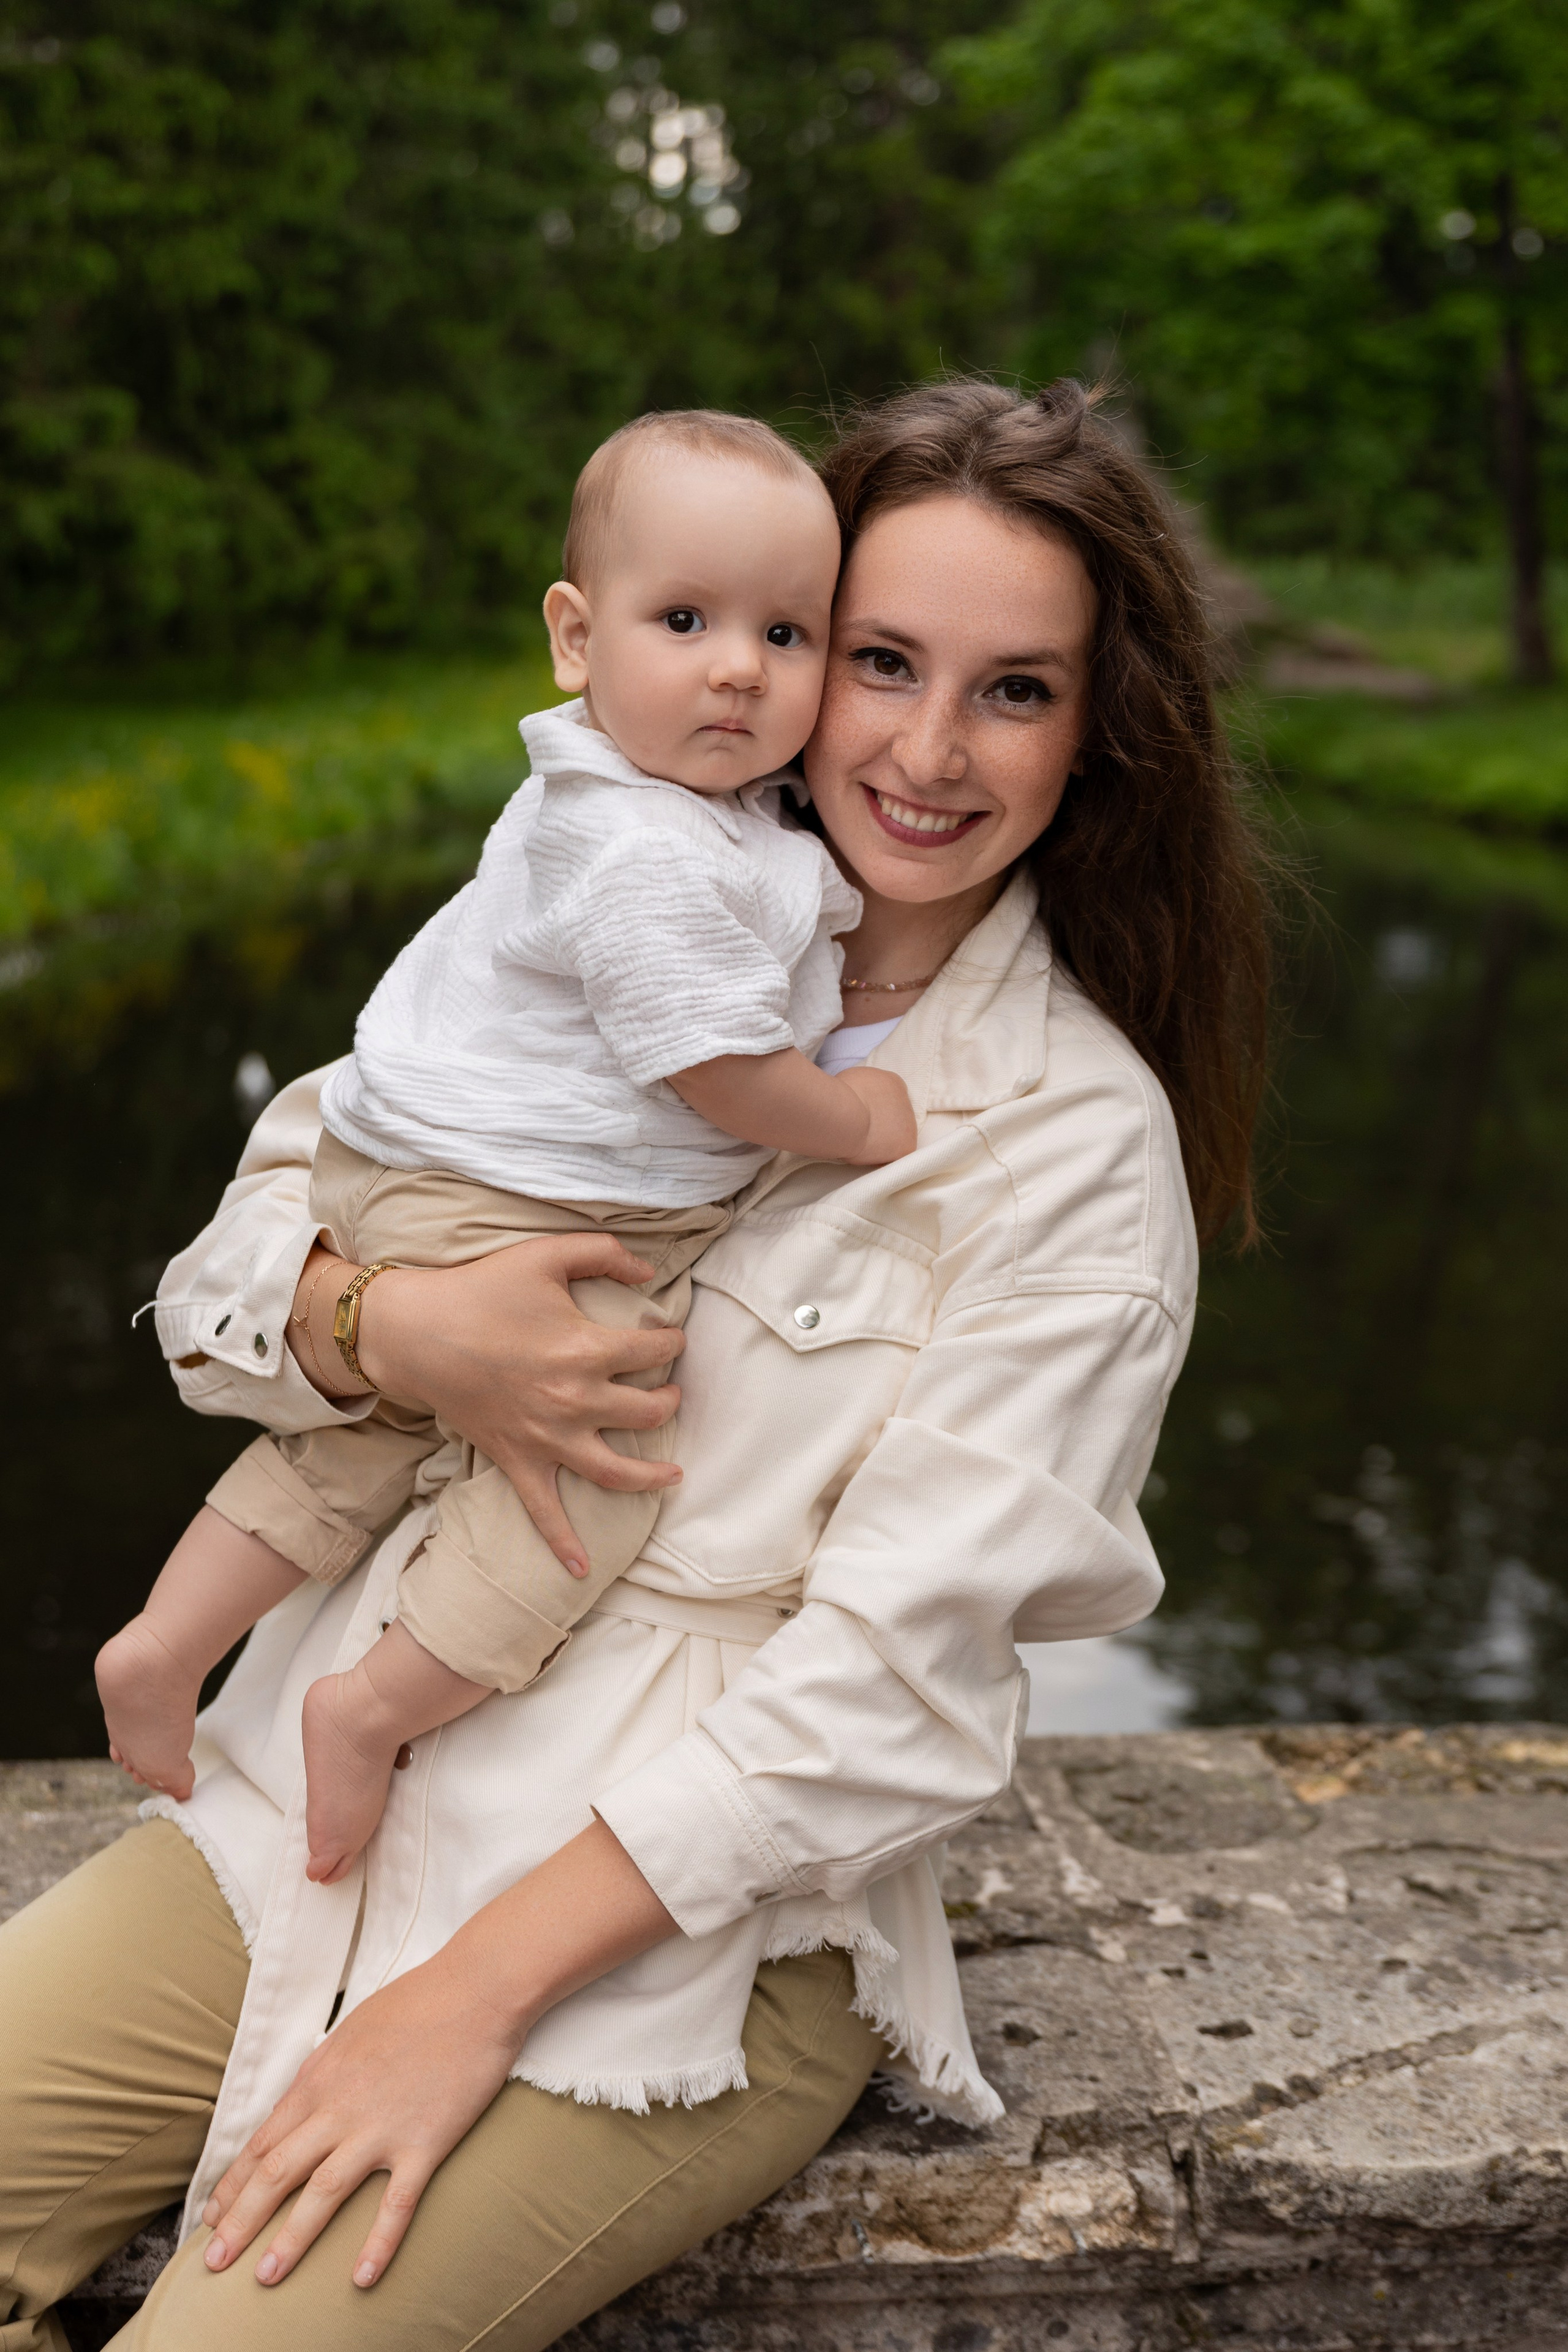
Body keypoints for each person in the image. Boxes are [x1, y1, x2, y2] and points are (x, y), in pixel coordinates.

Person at [0, 379, 1270, 2352]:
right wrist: (388, 1326)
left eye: (1016, 690)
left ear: (1100, 729)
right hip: (320, 1803)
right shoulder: (611, 870)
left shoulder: (1073, 1148)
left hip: (678, 1946)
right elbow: (227, 1275)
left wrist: (468, 1996)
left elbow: (890, 1699)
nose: (931, 751)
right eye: (881, 661)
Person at [94, 408, 916, 1888]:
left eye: (789, 633)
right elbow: (717, 1064)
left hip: (418, 1175)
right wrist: (849, 1113)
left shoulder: (656, 801)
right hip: (527, 1204)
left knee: (356, 1438)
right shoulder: (647, 845)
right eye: (686, 619)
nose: (741, 665)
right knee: (602, 1455)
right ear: (573, 637)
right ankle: (374, 1708)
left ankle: (163, 1643)